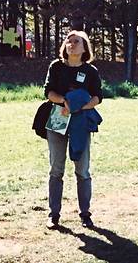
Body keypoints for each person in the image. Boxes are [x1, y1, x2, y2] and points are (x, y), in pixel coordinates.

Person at [43, 30, 102, 229]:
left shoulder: (91, 71)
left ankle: (85, 214)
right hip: (58, 119)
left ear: (85, 47)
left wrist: (80, 106)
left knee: (82, 170)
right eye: (68, 41)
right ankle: (54, 215)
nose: (71, 43)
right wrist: (64, 102)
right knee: (56, 169)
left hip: (81, 122)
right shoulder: (56, 67)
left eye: (76, 41)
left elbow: (97, 97)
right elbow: (48, 92)